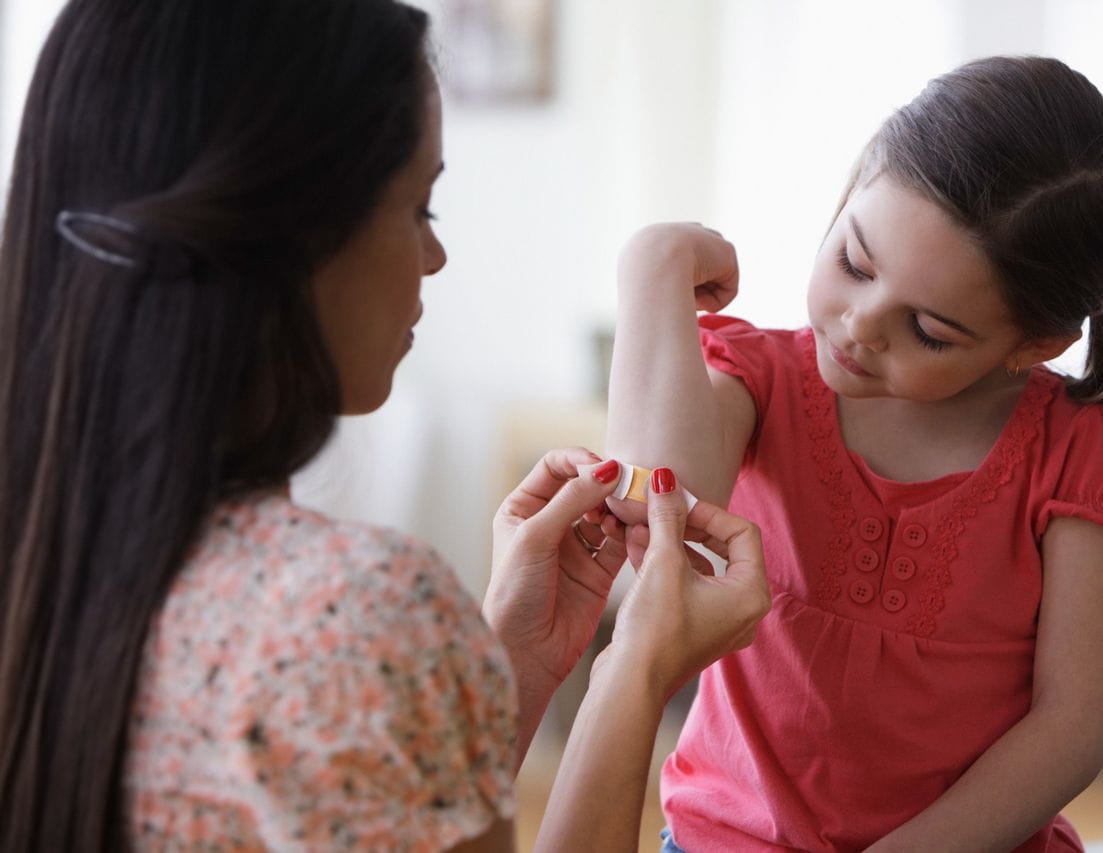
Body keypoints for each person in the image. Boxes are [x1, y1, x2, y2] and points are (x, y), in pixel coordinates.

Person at [0, 0, 771, 850]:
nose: (435, 257)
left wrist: (505, 668)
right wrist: (634, 673)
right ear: (288, 232)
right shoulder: (351, 612)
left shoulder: (49, 557)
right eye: (420, 209)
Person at [604, 56, 1103, 851]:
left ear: (1034, 342)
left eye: (930, 330)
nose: (858, 325)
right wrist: (652, 266)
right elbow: (657, 519)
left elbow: (1070, 728)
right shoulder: (761, 380)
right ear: (853, 186)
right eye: (854, 262)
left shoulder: (1085, 450)